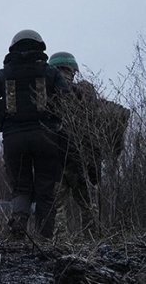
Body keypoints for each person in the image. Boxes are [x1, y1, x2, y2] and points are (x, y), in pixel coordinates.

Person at [0, 30, 68, 239]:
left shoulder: (2, 75)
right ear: (39, 47)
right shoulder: (51, 73)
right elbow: (70, 106)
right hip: (46, 138)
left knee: (21, 189)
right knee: (45, 192)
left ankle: (17, 234)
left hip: (14, 139)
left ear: (13, 48)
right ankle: (44, 241)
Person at [49, 51, 130, 236]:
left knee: (57, 208)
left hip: (57, 160)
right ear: (73, 71)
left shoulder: (49, 96)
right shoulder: (86, 95)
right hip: (81, 161)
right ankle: (93, 244)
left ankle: (60, 247)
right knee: (88, 207)